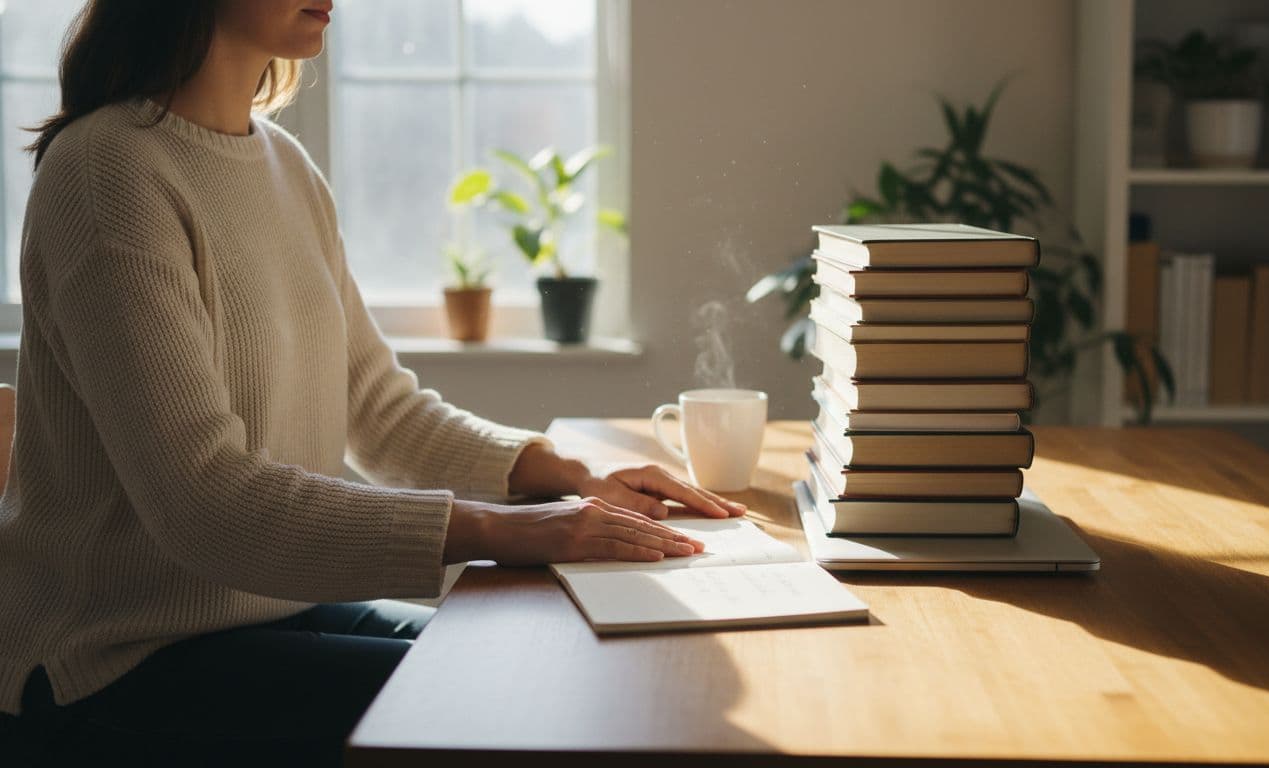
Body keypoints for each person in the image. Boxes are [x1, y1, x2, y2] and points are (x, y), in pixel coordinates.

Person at [0, 1, 744, 764]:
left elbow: (380, 410)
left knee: (558, 661)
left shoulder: (285, 166)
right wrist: (507, 529)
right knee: (520, 703)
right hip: (110, 666)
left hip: (271, 613)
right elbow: (206, 505)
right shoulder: (105, 171)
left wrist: (572, 476)